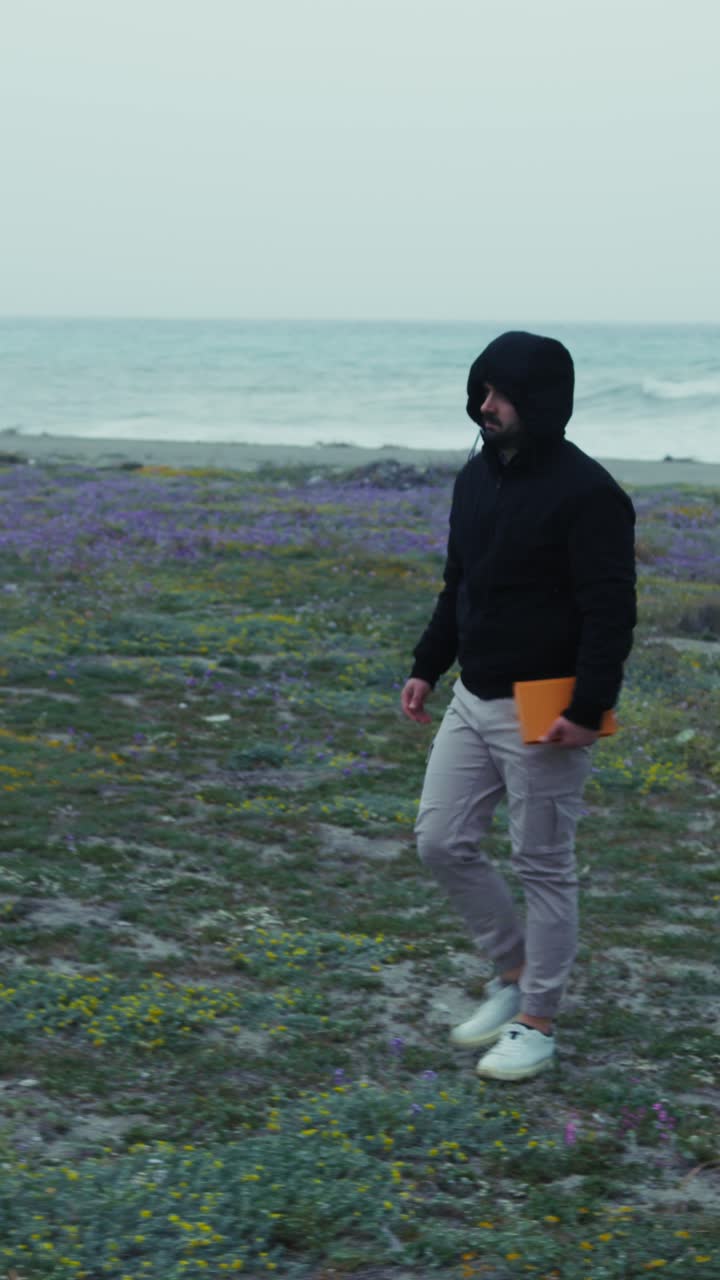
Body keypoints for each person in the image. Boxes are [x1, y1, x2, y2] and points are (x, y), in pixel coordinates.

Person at [401, 330, 636, 1081]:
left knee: (544, 866)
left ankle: (538, 1020)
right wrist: (428, 667)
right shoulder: (476, 478)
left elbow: (610, 613)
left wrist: (589, 703)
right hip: (475, 695)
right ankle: (512, 974)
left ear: (541, 402)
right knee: (440, 841)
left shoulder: (590, 494)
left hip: (549, 703)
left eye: (500, 394)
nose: (485, 405)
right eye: (481, 390)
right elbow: (457, 585)